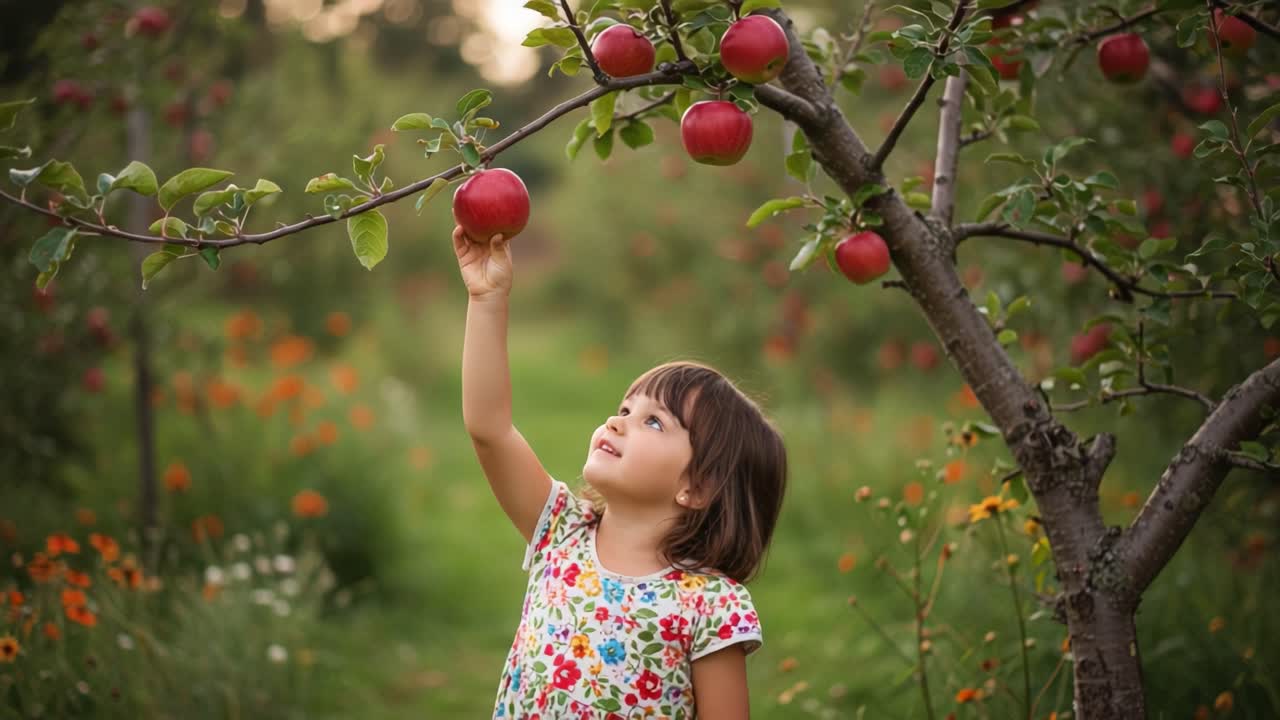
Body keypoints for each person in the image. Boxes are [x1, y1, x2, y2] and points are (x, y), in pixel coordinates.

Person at [454, 226, 787, 719]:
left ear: (697, 487)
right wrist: (487, 298)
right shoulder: (561, 533)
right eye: (625, 408)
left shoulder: (712, 605)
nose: (618, 421)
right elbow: (489, 429)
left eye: (653, 421)